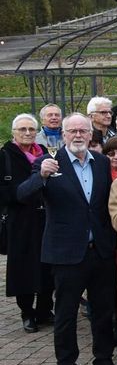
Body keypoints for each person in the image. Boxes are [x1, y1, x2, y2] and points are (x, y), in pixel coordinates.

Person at [18, 114, 117, 365]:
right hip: (66, 253)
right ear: (63, 135)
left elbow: (103, 206)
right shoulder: (49, 163)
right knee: (65, 315)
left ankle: (104, 361)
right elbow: (22, 195)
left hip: (99, 251)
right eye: (72, 131)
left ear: (91, 135)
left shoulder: (101, 163)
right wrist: (41, 176)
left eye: (83, 131)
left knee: (103, 312)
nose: (78, 135)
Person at [0, 114, 52, 332]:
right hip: (20, 220)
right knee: (23, 267)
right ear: (14, 132)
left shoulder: (45, 154)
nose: (28, 133)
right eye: (23, 129)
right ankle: (27, 312)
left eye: (31, 129)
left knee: (47, 266)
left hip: (46, 218)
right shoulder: (5, 156)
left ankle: (44, 309)